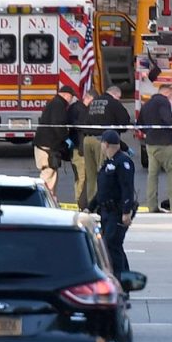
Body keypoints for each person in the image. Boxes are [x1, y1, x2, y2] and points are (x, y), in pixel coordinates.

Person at [87, 130, 137, 281]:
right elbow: (103, 190)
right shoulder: (109, 163)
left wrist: (126, 212)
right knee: (112, 247)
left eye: (101, 143)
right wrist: (90, 207)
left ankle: (120, 282)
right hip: (106, 212)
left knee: (111, 246)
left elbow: (127, 188)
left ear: (106, 144)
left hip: (117, 212)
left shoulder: (123, 162)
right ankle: (126, 281)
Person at [138, 83, 172, 213]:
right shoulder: (163, 102)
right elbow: (167, 118)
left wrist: (149, 133)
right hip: (164, 144)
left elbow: (139, 124)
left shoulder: (147, 104)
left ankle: (152, 206)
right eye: (171, 94)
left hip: (150, 144)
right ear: (166, 92)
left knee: (152, 176)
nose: (171, 97)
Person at [83, 84, 132, 205]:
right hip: (102, 142)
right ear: (116, 94)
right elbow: (124, 121)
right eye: (119, 97)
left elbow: (84, 120)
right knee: (103, 173)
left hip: (87, 140)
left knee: (91, 175)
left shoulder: (93, 103)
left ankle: (91, 203)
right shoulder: (114, 103)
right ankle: (101, 203)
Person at [32, 85, 76, 196]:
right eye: (71, 97)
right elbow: (58, 125)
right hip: (48, 146)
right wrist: (66, 138)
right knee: (48, 174)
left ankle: (49, 199)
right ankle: (44, 199)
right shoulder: (59, 105)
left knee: (50, 174)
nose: (71, 100)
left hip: (43, 145)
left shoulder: (54, 103)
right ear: (66, 95)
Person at [67, 89, 98, 210]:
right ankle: (80, 204)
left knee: (85, 177)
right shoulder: (77, 109)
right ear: (89, 98)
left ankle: (84, 203)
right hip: (78, 149)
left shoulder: (80, 109)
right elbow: (76, 126)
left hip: (81, 148)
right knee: (81, 178)